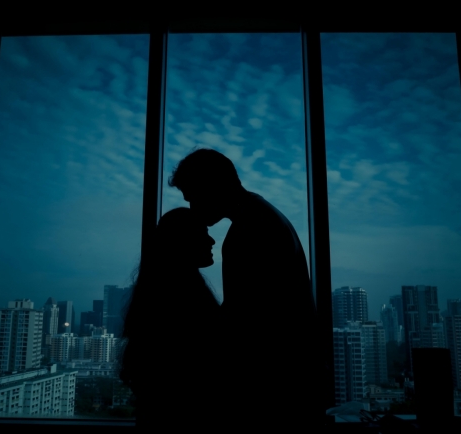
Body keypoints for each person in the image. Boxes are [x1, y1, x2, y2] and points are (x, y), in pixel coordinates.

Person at [168, 148, 327, 430]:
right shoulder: (263, 217)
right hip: (290, 381)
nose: (194, 209)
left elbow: (242, 323)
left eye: (194, 197)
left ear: (213, 186)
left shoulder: (248, 231)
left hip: (272, 389)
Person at [120, 207, 221, 430]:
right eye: (202, 232)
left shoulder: (160, 295)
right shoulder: (183, 299)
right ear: (183, 241)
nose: (212, 240)